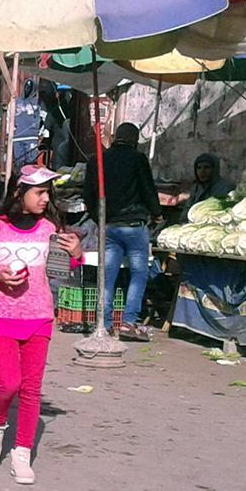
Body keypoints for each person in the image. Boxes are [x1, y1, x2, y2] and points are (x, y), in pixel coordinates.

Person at [0, 165, 82, 486]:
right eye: (38, 192)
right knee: (9, 383)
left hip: (39, 316)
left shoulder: (49, 228)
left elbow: (61, 271)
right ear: (18, 193)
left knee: (31, 388)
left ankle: (22, 452)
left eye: (47, 193)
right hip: (3, 317)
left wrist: (75, 254)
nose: (45, 198)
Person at [84, 122, 161, 342]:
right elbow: (148, 189)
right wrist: (157, 213)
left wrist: (97, 217)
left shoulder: (97, 160)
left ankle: (105, 324)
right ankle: (129, 322)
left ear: (116, 137)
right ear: (135, 140)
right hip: (134, 226)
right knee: (138, 273)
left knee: (107, 276)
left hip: (108, 226)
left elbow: (88, 193)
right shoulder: (138, 159)